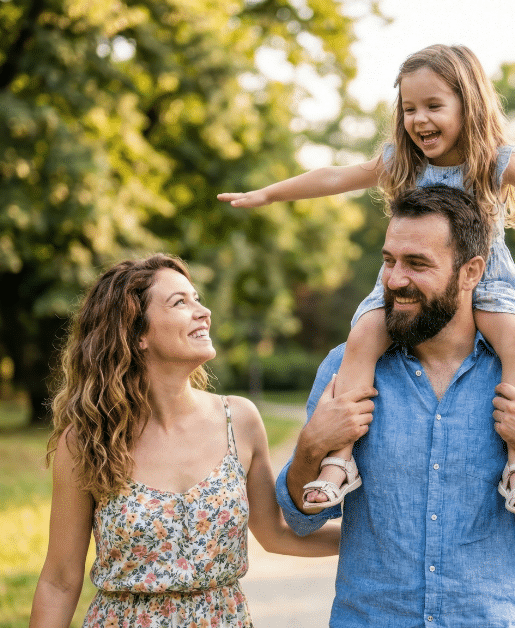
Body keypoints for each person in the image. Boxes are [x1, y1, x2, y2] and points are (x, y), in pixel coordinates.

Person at [219, 43, 515, 518]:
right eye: (409, 108)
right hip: (418, 279)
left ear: (469, 105)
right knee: (363, 335)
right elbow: (333, 176)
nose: (419, 119)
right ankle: (339, 460)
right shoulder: (402, 163)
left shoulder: (494, 162)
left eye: (433, 106)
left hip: (485, 277)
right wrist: (268, 194)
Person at [275, 185, 515, 626]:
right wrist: (312, 446)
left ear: (471, 272)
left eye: (417, 264)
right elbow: (302, 518)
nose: (394, 280)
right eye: (389, 260)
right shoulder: (348, 367)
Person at [29, 254, 340, 628]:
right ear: (137, 333)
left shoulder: (239, 421)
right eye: (180, 302)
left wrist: (376, 539)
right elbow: (60, 582)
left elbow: (276, 534)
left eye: (197, 298)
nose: (203, 311)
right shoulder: (88, 441)